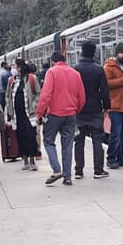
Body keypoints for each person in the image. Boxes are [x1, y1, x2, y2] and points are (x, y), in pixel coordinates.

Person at [36, 51, 85, 186]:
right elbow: (82, 97)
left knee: (48, 140)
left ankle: (57, 170)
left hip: (54, 114)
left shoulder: (52, 72)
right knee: (67, 145)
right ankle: (68, 177)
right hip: (71, 114)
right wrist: (75, 110)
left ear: (53, 61)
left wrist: (40, 113)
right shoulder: (75, 73)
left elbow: (46, 95)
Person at [73, 41, 110, 179]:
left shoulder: (75, 68)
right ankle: (98, 170)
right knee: (97, 140)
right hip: (95, 109)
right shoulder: (99, 69)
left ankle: (78, 171)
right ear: (94, 53)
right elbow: (105, 90)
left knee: (78, 141)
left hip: (79, 110)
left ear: (82, 52)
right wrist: (106, 106)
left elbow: (72, 90)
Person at [6, 58, 41, 170]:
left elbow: (38, 94)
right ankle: (25, 160)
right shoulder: (11, 80)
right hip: (17, 115)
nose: (13, 68)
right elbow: (8, 95)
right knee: (20, 137)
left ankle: (32, 160)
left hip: (29, 114)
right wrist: (9, 110)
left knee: (31, 136)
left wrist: (34, 105)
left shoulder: (31, 79)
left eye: (14, 66)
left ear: (20, 67)